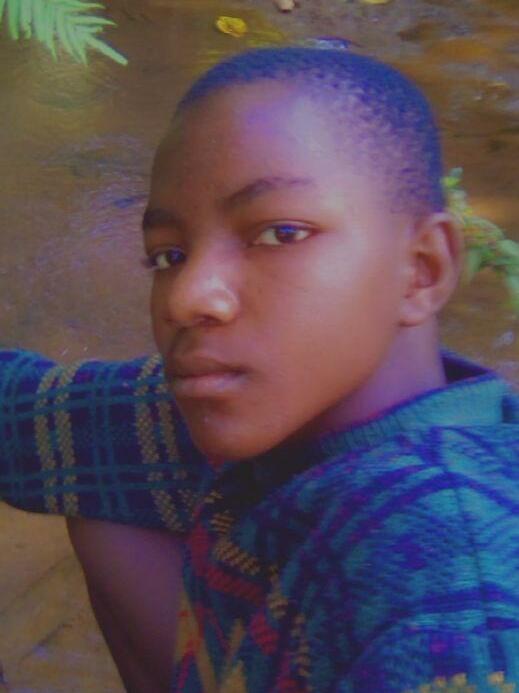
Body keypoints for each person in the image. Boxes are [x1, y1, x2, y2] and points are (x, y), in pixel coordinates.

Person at [1, 46, 519, 693]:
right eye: (167, 255)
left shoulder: (451, 604)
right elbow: (27, 416)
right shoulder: (270, 398)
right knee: (89, 481)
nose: (188, 296)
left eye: (280, 234)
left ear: (422, 269)